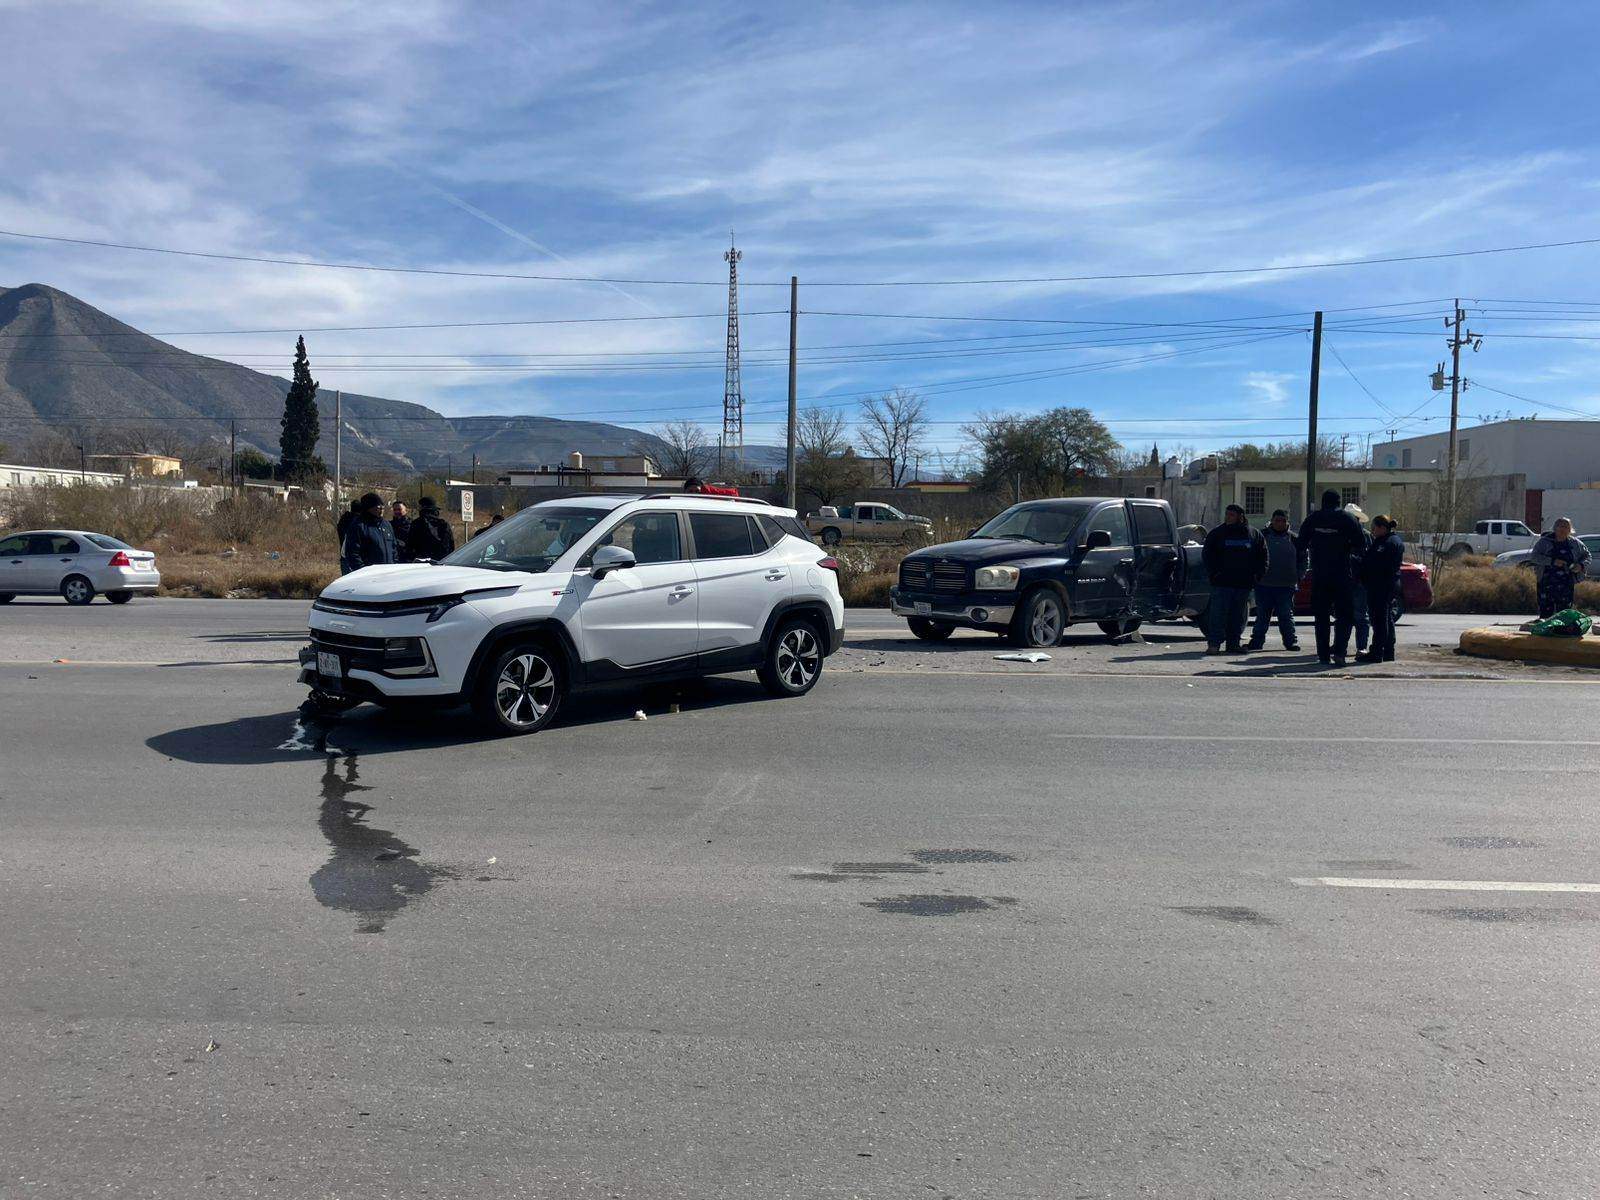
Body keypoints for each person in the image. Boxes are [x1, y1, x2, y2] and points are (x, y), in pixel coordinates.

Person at [1298, 490, 1366, 665]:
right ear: (1338, 501)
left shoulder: (1313, 519)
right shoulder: (1348, 519)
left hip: (1320, 575)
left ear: (1323, 501)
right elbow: (1361, 545)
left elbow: (1300, 544)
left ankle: (1323, 655)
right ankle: (1340, 653)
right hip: (1342, 574)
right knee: (1344, 616)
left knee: (1321, 617)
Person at [1201, 504, 1267, 654]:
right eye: (1227, 514)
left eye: (1232, 515)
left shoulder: (1253, 534)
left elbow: (1263, 556)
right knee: (1217, 615)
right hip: (1222, 584)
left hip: (1243, 584)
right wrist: (1214, 574)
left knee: (1237, 617)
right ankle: (1214, 644)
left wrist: (1258, 575)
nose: (1228, 517)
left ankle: (1233, 644)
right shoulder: (1218, 533)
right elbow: (1207, 555)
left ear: (1240, 517)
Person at [1246, 509, 1303, 651]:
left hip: (1286, 585)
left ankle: (1291, 642)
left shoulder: (1294, 539)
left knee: (1286, 616)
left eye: (1283, 521)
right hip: (1264, 585)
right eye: (1277, 520)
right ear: (1272, 521)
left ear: (1287, 522)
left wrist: (1298, 576)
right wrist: (1255, 575)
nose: (1279, 523)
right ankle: (1256, 642)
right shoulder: (1261, 536)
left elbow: (1303, 559)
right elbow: (1252, 556)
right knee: (1262, 616)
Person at [1356, 515, 1405, 663]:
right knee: (1386, 618)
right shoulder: (1388, 541)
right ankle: (1388, 651)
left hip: (1381, 585)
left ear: (1382, 528)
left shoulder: (1387, 543)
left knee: (1379, 620)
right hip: (1386, 584)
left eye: (1374, 528)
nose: (1372, 531)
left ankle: (1377, 652)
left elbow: (1377, 565)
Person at [1530, 516, 1591, 619]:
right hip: (1546, 582)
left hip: (1566, 583)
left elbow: (1587, 556)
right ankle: (1545, 633)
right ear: (1555, 528)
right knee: (1546, 612)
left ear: (1570, 530)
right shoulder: (1545, 541)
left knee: (1564, 612)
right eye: (1560, 526)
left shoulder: (1575, 543)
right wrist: (1552, 562)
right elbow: (1534, 557)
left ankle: (1562, 632)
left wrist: (1580, 566)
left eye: (1566, 527)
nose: (1563, 529)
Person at [341, 492, 399, 573]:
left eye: (382, 506)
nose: (381, 509)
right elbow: (353, 553)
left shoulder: (387, 525)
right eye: (378, 507)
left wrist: (394, 565)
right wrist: (362, 572)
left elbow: (394, 548)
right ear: (368, 508)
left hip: (389, 572)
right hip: (369, 575)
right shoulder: (358, 526)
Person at [1344, 504, 1372, 657]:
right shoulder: (1339, 534)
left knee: (1361, 616)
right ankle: (1340, 645)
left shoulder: (1365, 535)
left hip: (1359, 581)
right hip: (1344, 581)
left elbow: (1369, 558)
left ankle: (1361, 647)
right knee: (1343, 616)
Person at [406, 496, 456, 562]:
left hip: (422, 562)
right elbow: (451, 546)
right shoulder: (443, 524)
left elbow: (410, 545)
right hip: (441, 561)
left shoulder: (417, 523)